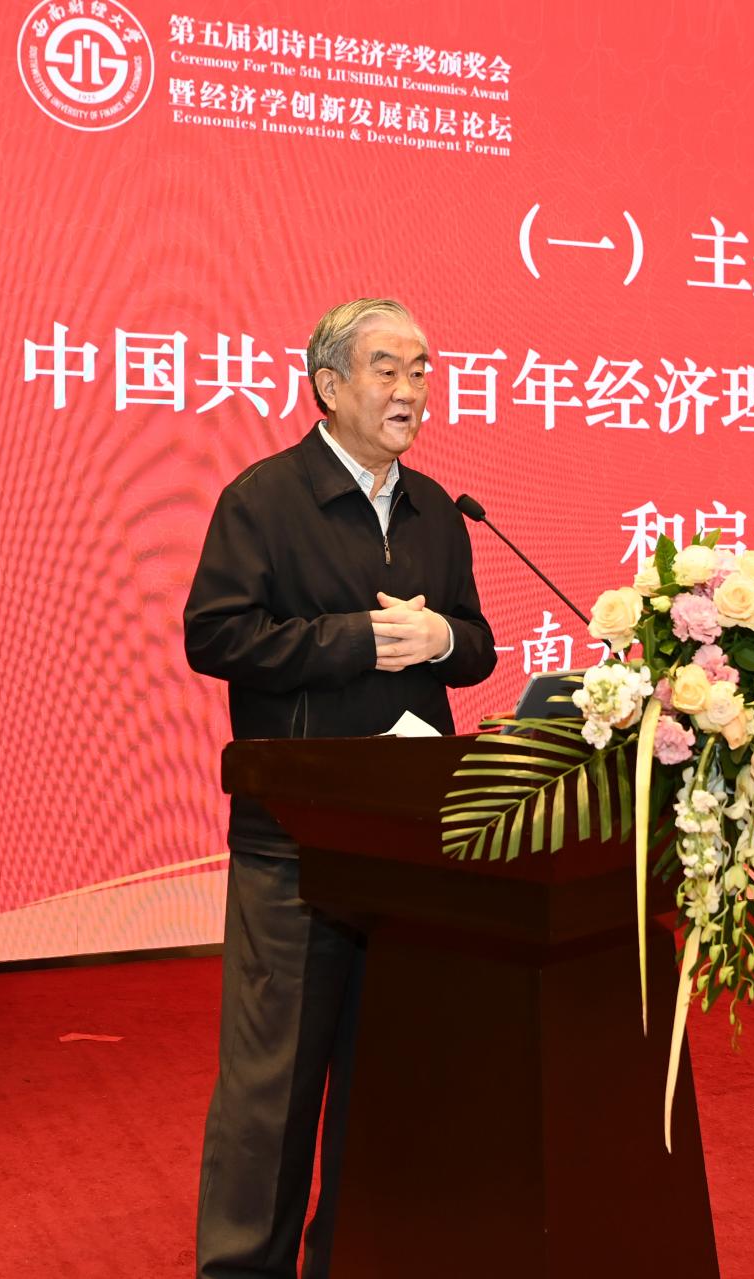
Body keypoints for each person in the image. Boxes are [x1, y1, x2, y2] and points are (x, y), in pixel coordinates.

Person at [182, 297, 496, 1278]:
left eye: (422, 369)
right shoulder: (265, 499)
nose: (411, 390)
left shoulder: (439, 509)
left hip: (408, 837)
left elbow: (478, 648)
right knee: (273, 1085)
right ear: (329, 384)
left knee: (383, 1075)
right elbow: (217, 635)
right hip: (298, 837)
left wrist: (442, 639)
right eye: (387, 368)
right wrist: (356, 638)